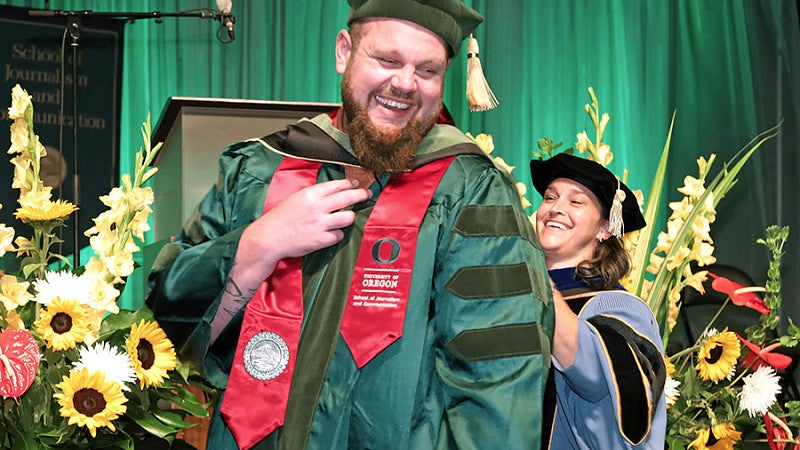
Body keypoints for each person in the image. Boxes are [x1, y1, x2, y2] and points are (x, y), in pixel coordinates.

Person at [146, 1, 554, 449]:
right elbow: (171, 321)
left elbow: (499, 387)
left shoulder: (471, 192)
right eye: (387, 60)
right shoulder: (260, 167)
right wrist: (253, 248)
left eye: (428, 70)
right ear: (344, 51)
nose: (404, 83)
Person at [529, 153, 667, 449]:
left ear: (605, 228)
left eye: (576, 202)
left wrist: (535, 278)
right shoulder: (516, 296)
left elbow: (593, 377)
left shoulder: (618, 307)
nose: (556, 209)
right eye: (550, 198)